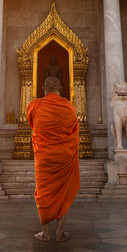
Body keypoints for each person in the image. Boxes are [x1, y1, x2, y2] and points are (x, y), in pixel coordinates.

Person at [27, 76, 80, 242]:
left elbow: (32, 123)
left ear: (43, 88)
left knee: (43, 191)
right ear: (60, 88)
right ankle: (60, 232)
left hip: (44, 158)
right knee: (63, 193)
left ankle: (45, 232)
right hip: (64, 156)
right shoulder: (69, 107)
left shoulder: (34, 106)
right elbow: (73, 130)